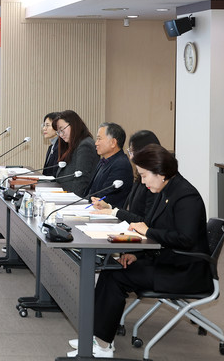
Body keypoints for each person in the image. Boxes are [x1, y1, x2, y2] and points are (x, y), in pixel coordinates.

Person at [68, 144, 211, 358]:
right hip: (167, 261)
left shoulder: (186, 196)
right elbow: (151, 225)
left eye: (144, 176)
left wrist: (148, 231)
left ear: (160, 173)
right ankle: (95, 337)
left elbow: (185, 239)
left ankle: (103, 345)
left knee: (116, 276)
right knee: (111, 269)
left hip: (185, 270)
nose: (143, 182)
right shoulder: (165, 190)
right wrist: (136, 253)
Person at [91, 130, 161, 222]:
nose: (130, 157)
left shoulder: (155, 182)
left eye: (132, 152)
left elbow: (145, 221)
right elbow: (130, 211)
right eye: (129, 152)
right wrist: (108, 207)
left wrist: (114, 212)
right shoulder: (139, 178)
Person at [82, 122, 133, 206]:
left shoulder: (121, 165)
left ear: (113, 142)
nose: (96, 143)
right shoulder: (104, 160)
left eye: (99, 139)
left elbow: (106, 197)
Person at [53, 110, 99, 196]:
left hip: (74, 199)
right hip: (65, 195)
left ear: (74, 125)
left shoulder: (85, 145)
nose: (61, 135)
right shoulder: (72, 144)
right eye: (58, 132)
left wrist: (71, 200)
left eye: (62, 129)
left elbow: (81, 180)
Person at [41, 112, 59, 176]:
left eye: (47, 125)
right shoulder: (51, 147)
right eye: (44, 125)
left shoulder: (61, 147)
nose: (44, 128)